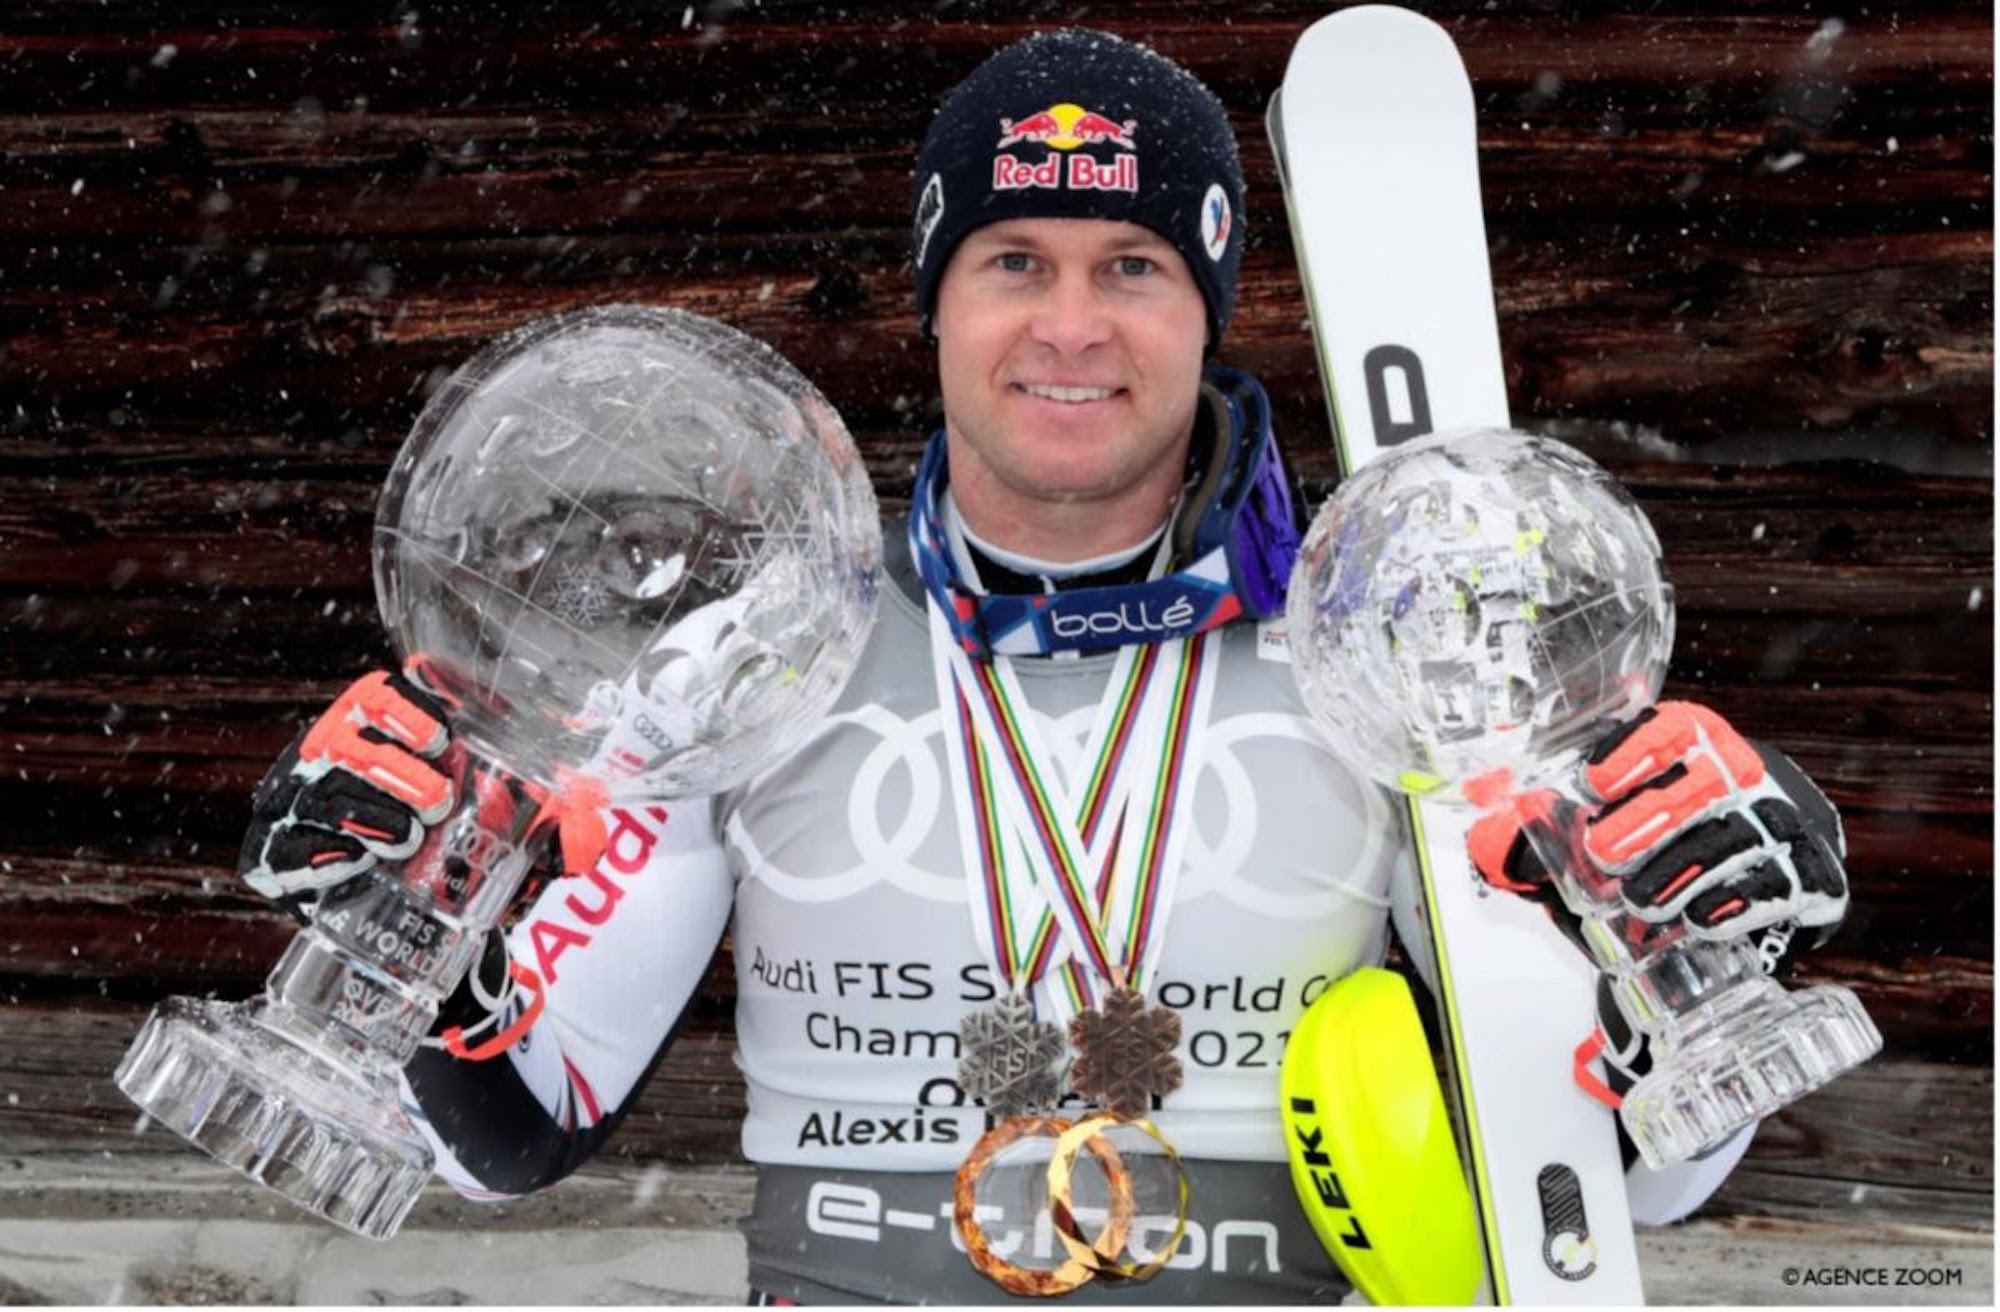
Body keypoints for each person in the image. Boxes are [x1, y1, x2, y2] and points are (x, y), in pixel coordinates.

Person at [238, 29, 1851, 1305]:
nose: (1071, 326)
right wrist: (415, 935)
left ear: (1207, 308)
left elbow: (1634, 1186)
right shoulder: (758, 657)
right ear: (935, 303)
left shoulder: (1387, 658)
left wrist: (1677, 952)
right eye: (1016, 259)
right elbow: (507, 1133)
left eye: (1131, 268)